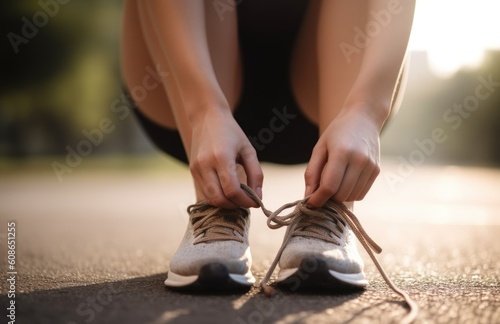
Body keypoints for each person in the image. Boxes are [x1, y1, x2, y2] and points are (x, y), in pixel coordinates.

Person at [120, 0, 415, 291]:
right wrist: (203, 112)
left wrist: (366, 110)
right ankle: (218, 207)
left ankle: (329, 209)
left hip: (331, 97)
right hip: (182, 93)